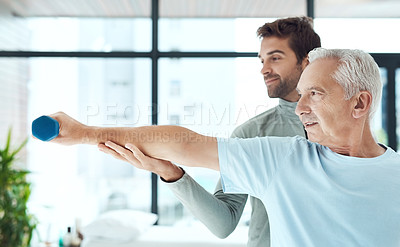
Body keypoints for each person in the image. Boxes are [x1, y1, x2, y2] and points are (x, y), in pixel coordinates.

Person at [41, 48, 400, 246]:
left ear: (359, 103)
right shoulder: (283, 158)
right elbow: (182, 143)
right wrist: (85, 133)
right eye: (301, 93)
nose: (301, 107)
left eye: (315, 94)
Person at [101, 16, 321, 247]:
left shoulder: (347, 127)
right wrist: (171, 173)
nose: (264, 70)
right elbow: (223, 224)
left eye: (275, 58)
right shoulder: (251, 133)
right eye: (261, 60)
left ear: (306, 62)